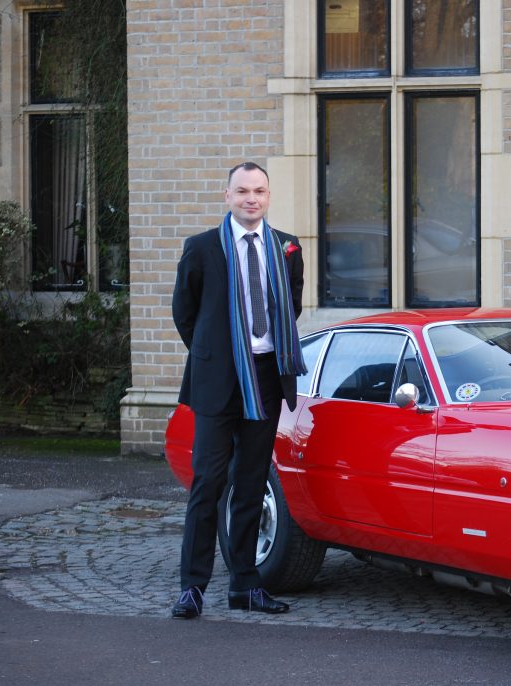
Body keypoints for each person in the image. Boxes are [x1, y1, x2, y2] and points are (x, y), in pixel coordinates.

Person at [170, 161, 306, 619]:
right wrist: (217, 353)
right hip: (219, 380)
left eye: (260, 191)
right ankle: (192, 587)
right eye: (243, 191)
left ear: (268, 197)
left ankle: (245, 586)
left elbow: (293, 307)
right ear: (227, 196)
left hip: (267, 378)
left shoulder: (287, 247)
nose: (252, 199)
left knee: (251, 484)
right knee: (208, 483)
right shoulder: (202, 248)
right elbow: (185, 313)